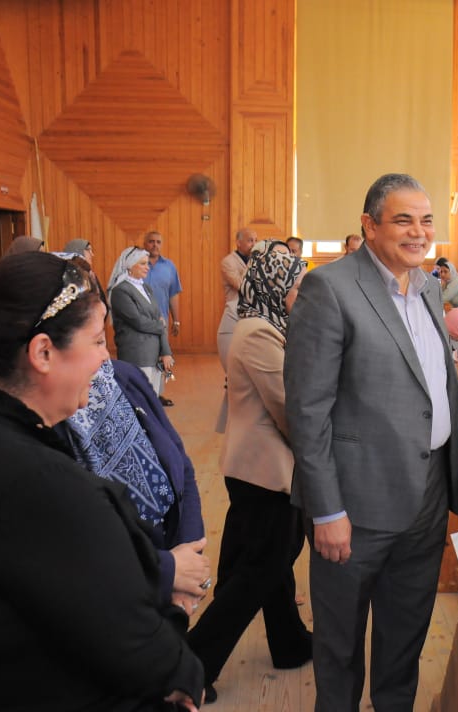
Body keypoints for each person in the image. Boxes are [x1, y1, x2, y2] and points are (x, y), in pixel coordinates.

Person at [0, 253, 203, 710]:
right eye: (96, 341)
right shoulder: (39, 482)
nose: (105, 358)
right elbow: (142, 654)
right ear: (42, 352)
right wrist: (176, 619)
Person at [284, 174, 458, 711]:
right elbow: (308, 410)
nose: (419, 232)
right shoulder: (330, 288)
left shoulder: (428, 285)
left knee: (405, 639)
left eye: (427, 220)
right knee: (341, 647)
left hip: (427, 491)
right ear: (369, 226)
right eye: (403, 220)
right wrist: (326, 511)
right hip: (356, 501)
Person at [188, 245, 312, 703]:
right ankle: (191, 666)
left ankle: (289, 643)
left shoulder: (265, 325)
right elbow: (288, 408)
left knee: (265, 561)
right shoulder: (260, 332)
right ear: (276, 287)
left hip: (255, 467)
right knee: (259, 570)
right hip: (264, 469)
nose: (302, 296)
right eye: (298, 287)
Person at [60, 357, 209, 607]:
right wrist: (169, 573)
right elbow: (77, 555)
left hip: (171, 581)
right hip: (116, 604)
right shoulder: (46, 424)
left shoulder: (124, 376)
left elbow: (182, 467)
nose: (104, 355)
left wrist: (189, 563)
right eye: (96, 341)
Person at [107, 246, 174, 397]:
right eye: (142, 264)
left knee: (153, 398)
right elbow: (138, 321)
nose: (147, 267)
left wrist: (166, 351)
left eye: (147, 263)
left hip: (154, 354)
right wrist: (160, 324)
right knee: (139, 399)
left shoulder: (146, 288)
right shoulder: (120, 291)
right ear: (130, 266)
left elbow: (158, 318)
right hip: (136, 354)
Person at [216, 228, 258, 429]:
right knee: (234, 374)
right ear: (238, 242)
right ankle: (232, 421)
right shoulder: (228, 262)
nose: (254, 244)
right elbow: (243, 286)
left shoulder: (256, 261)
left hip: (252, 318)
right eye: (250, 240)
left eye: (256, 240)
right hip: (234, 317)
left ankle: (245, 418)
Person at [143, 231, 182, 405]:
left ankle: (157, 394)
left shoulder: (169, 266)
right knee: (144, 358)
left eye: (158, 242)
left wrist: (176, 320)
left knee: (161, 356)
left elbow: (173, 294)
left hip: (162, 320)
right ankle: (143, 394)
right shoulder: (137, 264)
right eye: (151, 241)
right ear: (145, 244)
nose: (155, 245)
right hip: (140, 319)